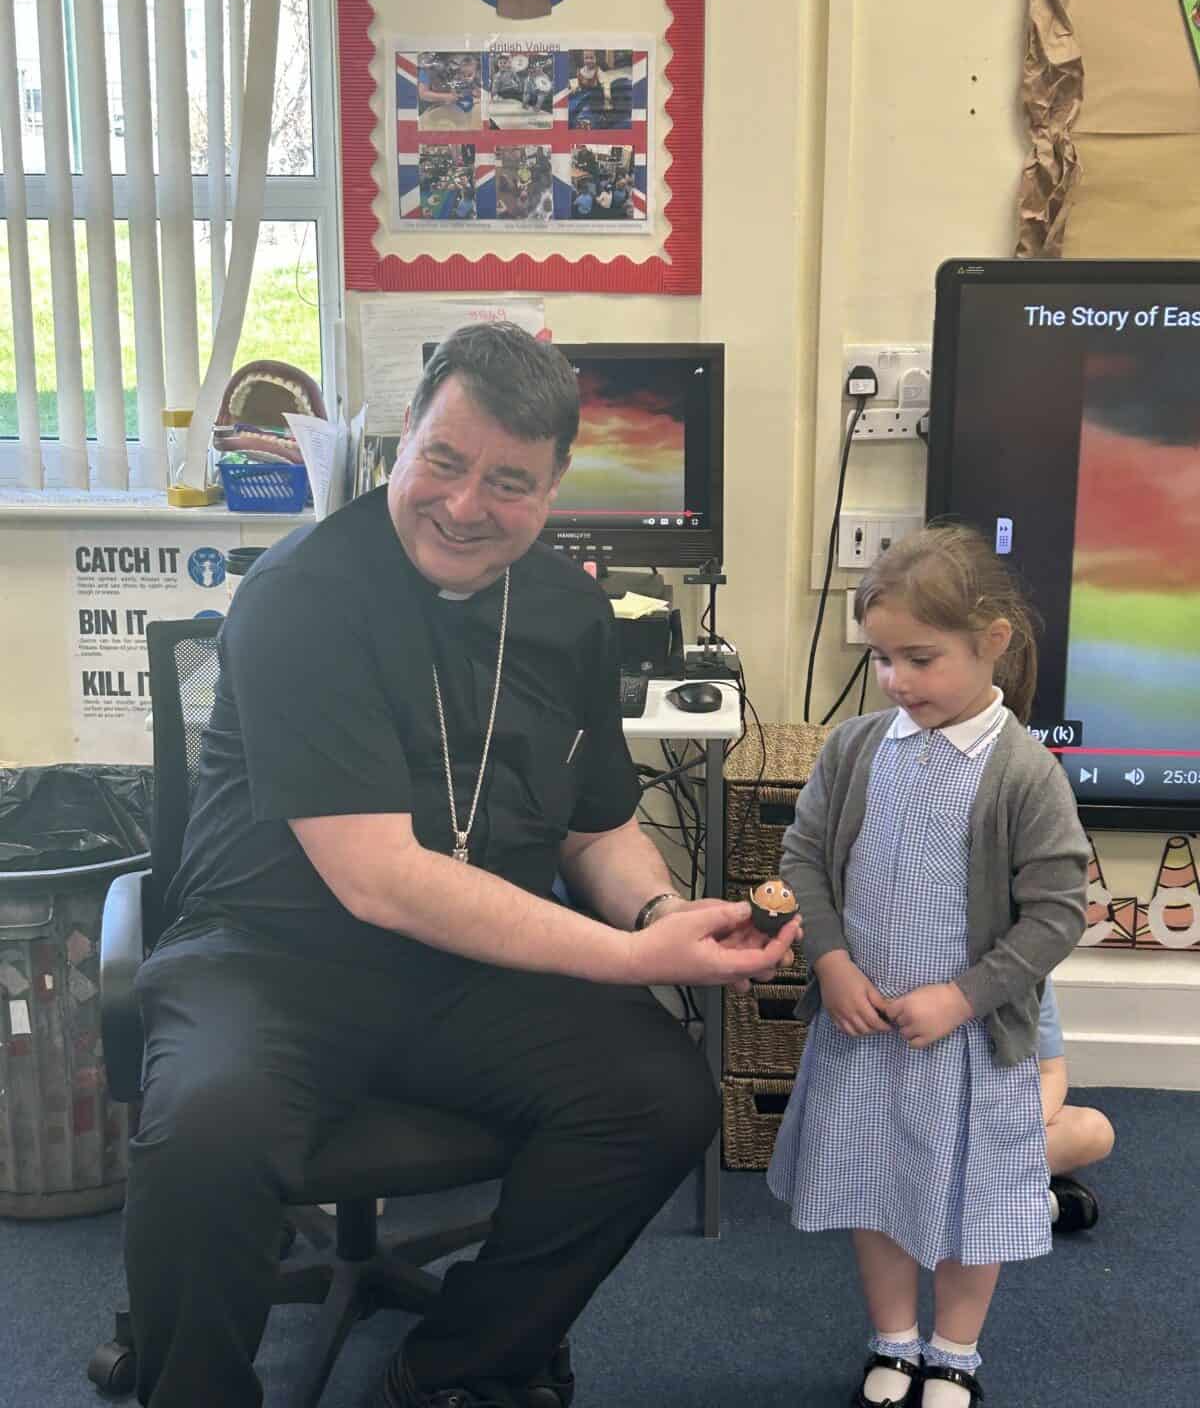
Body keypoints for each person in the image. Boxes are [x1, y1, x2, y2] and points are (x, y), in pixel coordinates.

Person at [123, 323, 799, 1408]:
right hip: (270, 956)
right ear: (405, 437)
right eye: (443, 460)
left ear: (556, 485)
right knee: (204, 1139)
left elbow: (593, 829)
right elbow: (379, 877)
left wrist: (661, 912)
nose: (464, 504)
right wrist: (631, 961)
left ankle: (453, 1370)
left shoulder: (572, 612)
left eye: (509, 482)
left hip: (464, 974)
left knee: (660, 1094)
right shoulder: (304, 595)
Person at [767, 524, 1089, 1408]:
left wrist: (962, 996)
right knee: (872, 1187)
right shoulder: (856, 749)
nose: (896, 681)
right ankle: (894, 1340)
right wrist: (832, 961)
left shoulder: (1024, 774)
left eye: (920, 658)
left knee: (967, 1204)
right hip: (863, 1033)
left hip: (970, 1046)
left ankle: (954, 1353)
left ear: (991, 643)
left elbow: (1057, 914)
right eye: (881, 658)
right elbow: (803, 860)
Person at [1038, 976, 1115, 1231]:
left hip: (1000, 1120)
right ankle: (1027, 1204)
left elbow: (1051, 1073)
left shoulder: (1030, 969)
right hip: (932, 1125)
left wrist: (1020, 1131)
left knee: (1092, 1130)